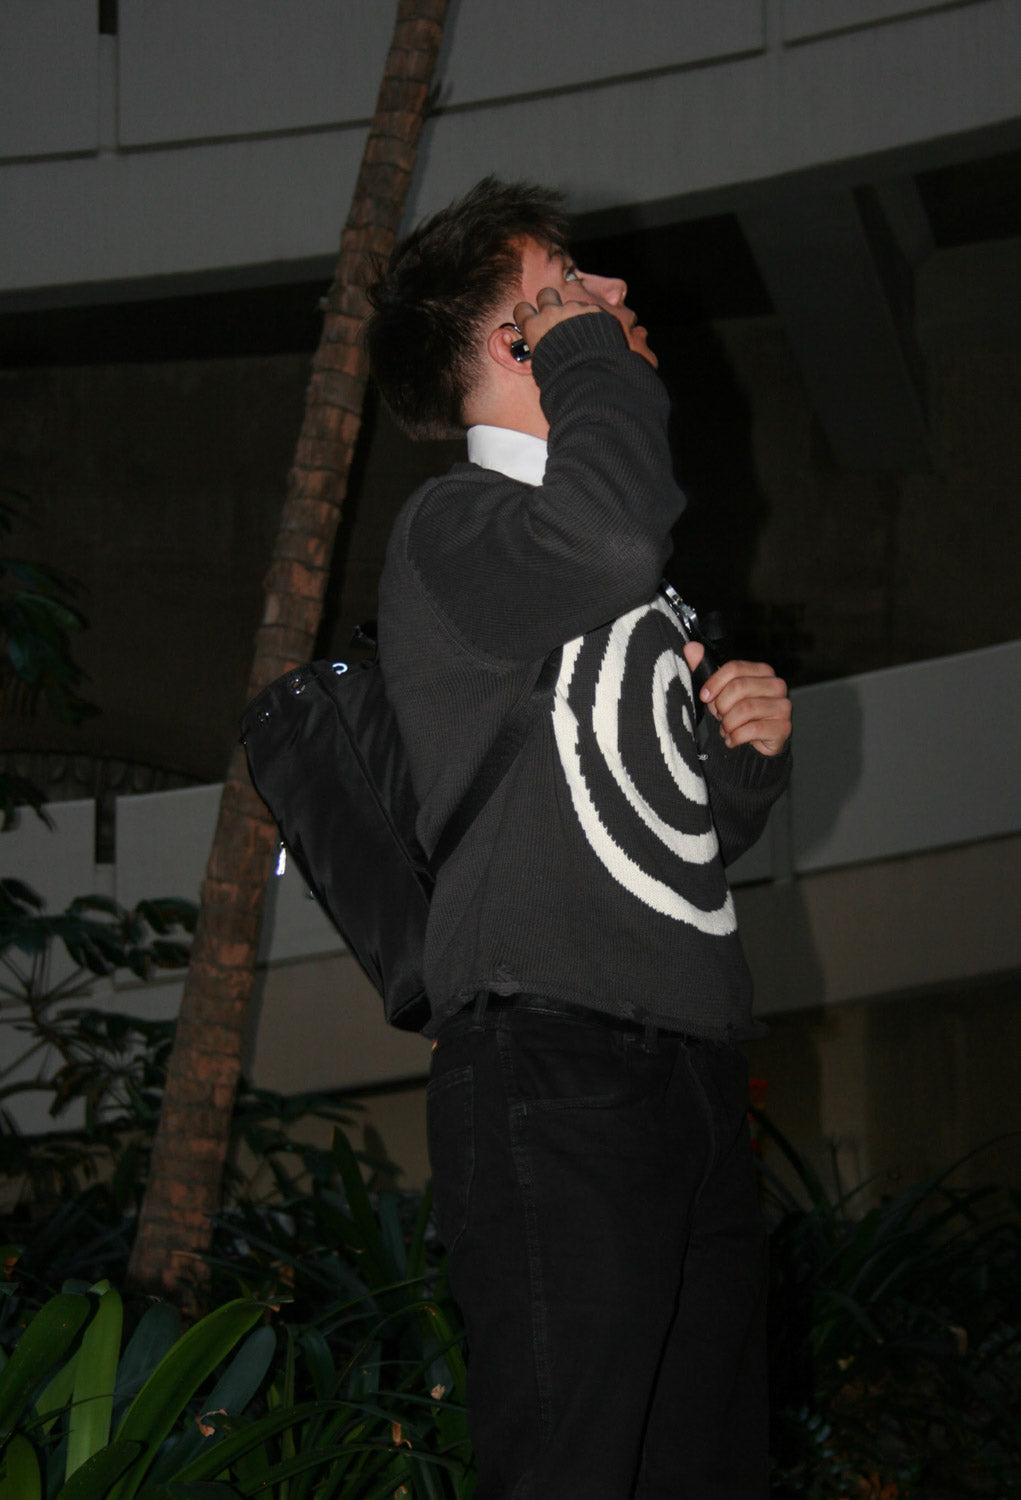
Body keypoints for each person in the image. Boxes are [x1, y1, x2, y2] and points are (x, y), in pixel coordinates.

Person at [365, 178, 793, 1500]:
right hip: (548, 1065)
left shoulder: (627, 581)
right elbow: (607, 525)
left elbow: (679, 834)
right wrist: (591, 359)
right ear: (513, 345)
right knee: (572, 1467)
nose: (612, 299)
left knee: (697, 1467)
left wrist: (743, 759)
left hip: (689, 1068)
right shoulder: (461, 527)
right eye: (565, 285)